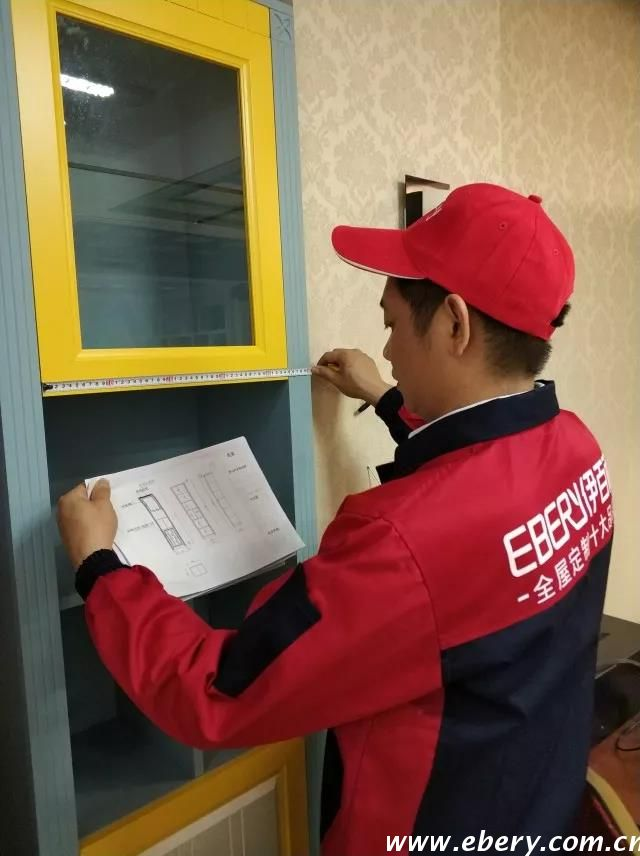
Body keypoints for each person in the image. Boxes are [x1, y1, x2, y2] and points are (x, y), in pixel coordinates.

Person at [57, 183, 613, 856]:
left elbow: (216, 691)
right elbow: (478, 473)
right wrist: (385, 396)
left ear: (455, 325)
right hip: (538, 808)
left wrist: (101, 569)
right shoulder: (577, 449)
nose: (389, 350)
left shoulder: (399, 545)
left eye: (392, 323)